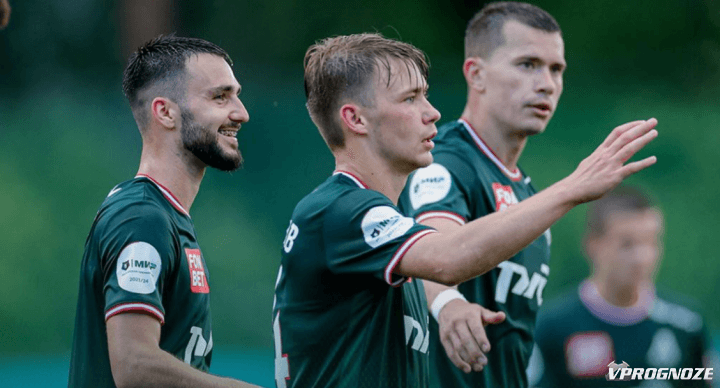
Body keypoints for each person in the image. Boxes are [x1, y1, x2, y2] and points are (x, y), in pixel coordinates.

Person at [272, 32, 657, 388]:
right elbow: (447, 257)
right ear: (356, 119)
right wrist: (573, 188)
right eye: (410, 99)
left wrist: (446, 301)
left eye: (425, 95)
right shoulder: (343, 209)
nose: (433, 112)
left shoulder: (368, 220)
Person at [68, 35, 259, 388]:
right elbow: (134, 365)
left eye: (236, 94)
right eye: (220, 96)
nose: (241, 113)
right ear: (165, 112)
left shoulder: (163, 215)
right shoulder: (142, 217)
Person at [398, 1, 565, 387]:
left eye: (556, 69)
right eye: (528, 64)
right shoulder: (445, 161)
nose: (546, 83)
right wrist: (448, 302)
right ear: (476, 74)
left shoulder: (525, 189)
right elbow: (435, 252)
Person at [528, 185, 718, 387]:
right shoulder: (552, 328)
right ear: (592, 244)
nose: (642, 257)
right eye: (627, 244)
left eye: (651, 242)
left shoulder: (687, 324)